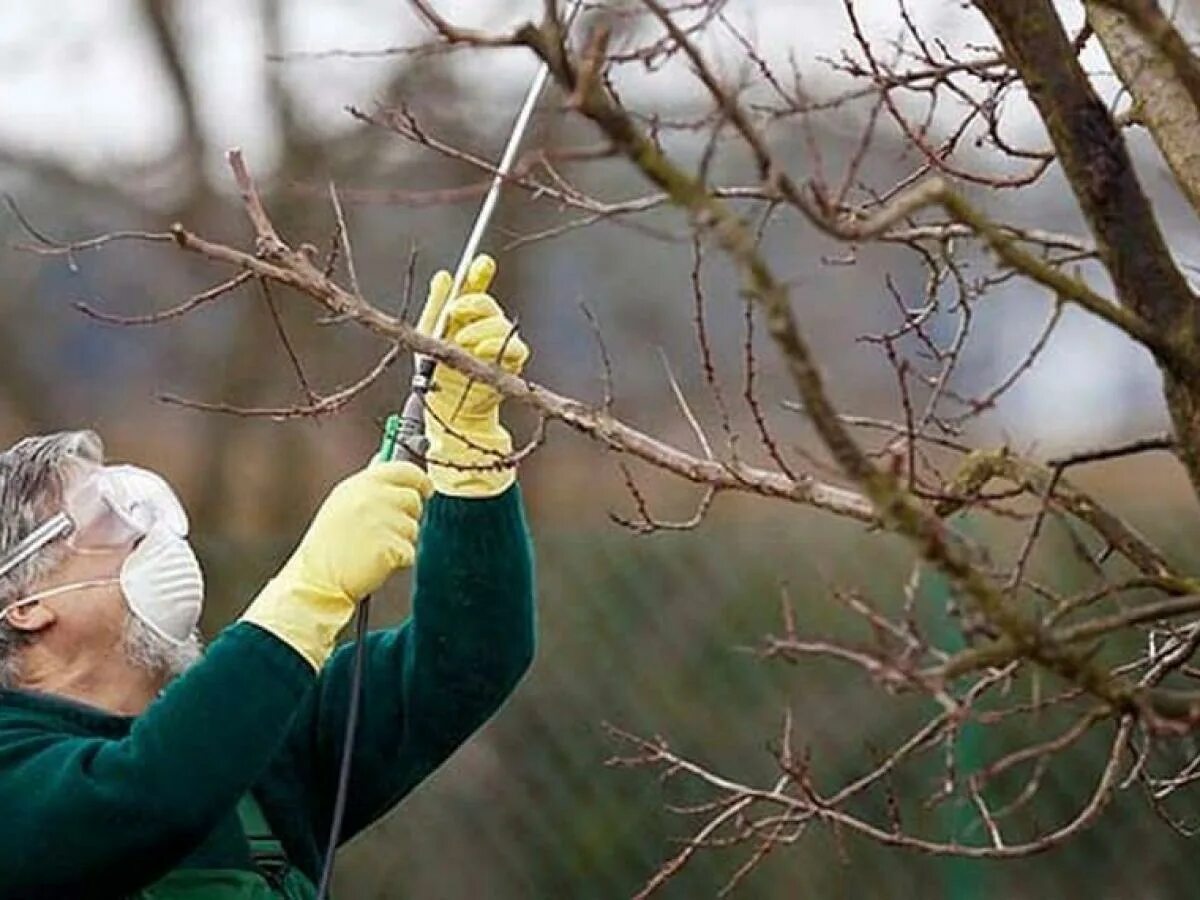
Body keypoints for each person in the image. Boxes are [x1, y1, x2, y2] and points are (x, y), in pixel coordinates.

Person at [0, 256, 535, 899]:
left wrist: (467, 455)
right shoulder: (18, 772)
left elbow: (470, 658)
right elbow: (147, 799)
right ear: (22, 603)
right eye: (108, 520)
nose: (154, 535)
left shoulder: (257, 745)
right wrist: (311, 590)